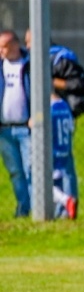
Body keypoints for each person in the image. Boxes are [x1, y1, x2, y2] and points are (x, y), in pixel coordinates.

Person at [0, 29, 33, 216]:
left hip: (26, 129)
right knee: (15, 172)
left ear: (14, 46)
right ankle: (23, 208)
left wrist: (35, 116)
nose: (1, 51)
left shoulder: (29, 64)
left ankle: (37, 209)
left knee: (31, 170)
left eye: (4, 47)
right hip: (4, 130)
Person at [24, 31, 84, 118]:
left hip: (66, 110)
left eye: (29, 42)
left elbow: (79, 84)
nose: (27, 47)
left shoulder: (60, 59)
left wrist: (50, 83)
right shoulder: (29, 60)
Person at [50, 89, 77, 220]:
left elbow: (40, 126)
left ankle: (66, 201)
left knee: (40, 183)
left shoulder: (48, 108)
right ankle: (61, 212)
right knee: (59, 182)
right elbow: (72, 128)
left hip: (52, 151)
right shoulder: (65, 106)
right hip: (64, 150)